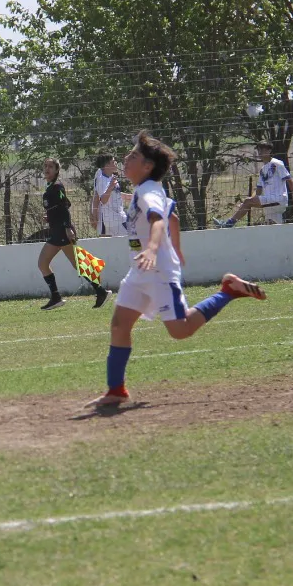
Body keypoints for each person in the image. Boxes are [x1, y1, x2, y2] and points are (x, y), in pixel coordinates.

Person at [89, 131, 268, 407]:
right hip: (140, 270)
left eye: (133, 156)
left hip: (158, 270)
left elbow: (159, 220)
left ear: (147, 167)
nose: (126, 158)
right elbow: (172, 216)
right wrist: (178, 247)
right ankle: (116, 390)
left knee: (180, 330)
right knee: (119, 325)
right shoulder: (146, 190)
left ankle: (228, 291)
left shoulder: (148, 192)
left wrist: (153, 248)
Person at [38, 157, 109, 310]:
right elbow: (65, 204)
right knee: (44, 263)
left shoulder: (57, 187)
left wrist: (67, 227)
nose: (47, 169)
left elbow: (64, 208)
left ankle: (100, 291)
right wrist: (49, 216)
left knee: (77, 264)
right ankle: (57, 297)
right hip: (57, 231)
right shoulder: (51, 187)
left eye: (50, 167)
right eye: (45, 166)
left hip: (62, 232)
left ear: (57, 170)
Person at [213, 142, 292, 227]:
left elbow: (289, 181)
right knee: (274, 229)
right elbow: (258, 191)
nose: (260, 152)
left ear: (269, 151)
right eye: (258, 150)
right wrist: (247, 203)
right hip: (270, 202)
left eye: (262, 149)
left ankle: (228, 224)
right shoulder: (263, 169)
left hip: (278, 199)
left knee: (248, 201)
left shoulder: (277, 163)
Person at [90, 150, 128, 236]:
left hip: (116, 218)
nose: (116, 163)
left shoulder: (110, 177)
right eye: (113, 161)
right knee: (132, 239)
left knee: (111, 245)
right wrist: (93, 213)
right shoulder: (103, 180)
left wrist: (130, 197)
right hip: (115, 219)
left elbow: (115, 194)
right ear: (107, 165)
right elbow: (102, 200)